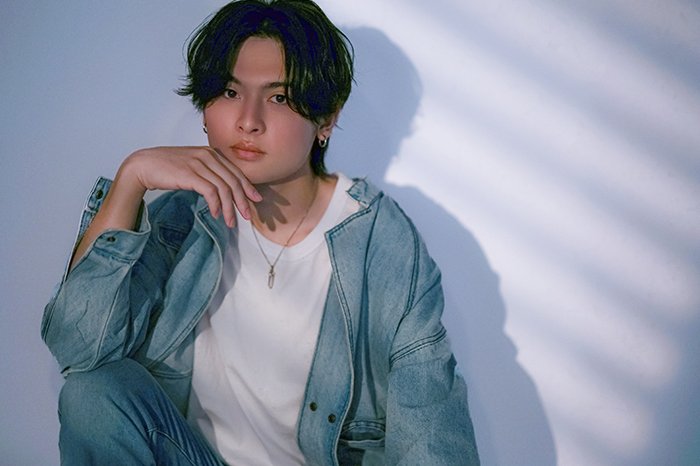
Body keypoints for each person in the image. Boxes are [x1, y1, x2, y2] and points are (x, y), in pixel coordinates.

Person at [41, 0, 480, 464]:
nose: (248, 121)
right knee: (94, 393)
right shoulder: (181, 218)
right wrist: (131, 179)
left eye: (279, 97)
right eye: (230, 92)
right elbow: (78, 352)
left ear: (327, 118)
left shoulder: (382, 245)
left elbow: (431, 430)